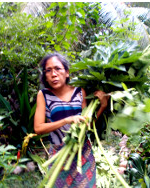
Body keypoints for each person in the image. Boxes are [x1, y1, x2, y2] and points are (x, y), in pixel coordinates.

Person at [32, 53, 107, 187]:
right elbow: (38, 128)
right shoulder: (43, 95)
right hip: (58, 155)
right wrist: (66, 120)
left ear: (67, 72)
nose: (53, 74)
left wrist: (102, 106)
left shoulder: (80, 92)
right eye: (48, 70)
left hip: (83, 155)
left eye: (57, 69)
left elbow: (88, 124)